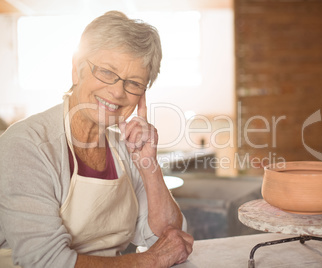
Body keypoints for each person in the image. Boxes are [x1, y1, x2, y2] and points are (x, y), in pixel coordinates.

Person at [0, 11, 193, 268]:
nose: (116, 91)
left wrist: (149, 166)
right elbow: (46, 262)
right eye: (106, 72)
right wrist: (152, 260)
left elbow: (169, 237)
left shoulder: (125, 149)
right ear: (77, 69)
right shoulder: (28, 145)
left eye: (134, 83)